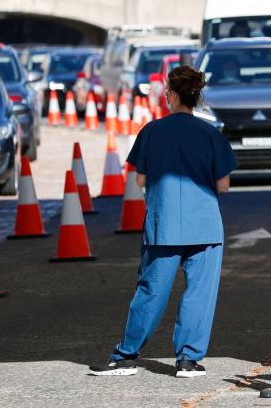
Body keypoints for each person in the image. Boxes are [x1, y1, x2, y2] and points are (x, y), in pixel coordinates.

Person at [89, 65, 238, 378]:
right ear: (197, 97)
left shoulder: (152, 131)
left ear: (171, 95)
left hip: (164, 223)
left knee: (151, 292)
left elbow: (140, 178)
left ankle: (126, 356)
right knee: (199, 294)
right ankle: (187, 361)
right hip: (206, 225)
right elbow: (223, 185)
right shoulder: (211, 134)